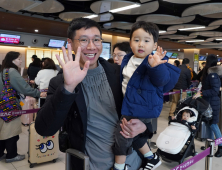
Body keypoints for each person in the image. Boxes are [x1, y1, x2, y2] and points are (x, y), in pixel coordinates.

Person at [35, 18, 148, 170]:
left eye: (96, 40)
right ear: (70, 43)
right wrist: (68, 87)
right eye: (83, 40)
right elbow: (44, 129)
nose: (91, 46)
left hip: (132, 160)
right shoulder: (59, 83)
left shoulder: (117, 73)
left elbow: (144, 103)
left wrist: (144, 126)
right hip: (93, 165)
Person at [112, 21, 180, 170]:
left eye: (146, 41)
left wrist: (156, 67)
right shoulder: (127, 60)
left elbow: (162, 81)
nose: (141, 44)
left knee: (122, 134)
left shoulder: (154, 61)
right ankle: (151, 157)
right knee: (133, 135)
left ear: (155, 45)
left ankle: (119, 166)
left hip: (143, 107)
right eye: (136, 40)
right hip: (130, 104)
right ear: (130, 43)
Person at [0, 52, 46, 163]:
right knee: (12, 132)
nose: (21, 61)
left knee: (3, 130)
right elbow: (24, 88)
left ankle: (0, 153)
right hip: (10, 106)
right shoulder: (12, 71)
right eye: (19, 59)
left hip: (2, 105)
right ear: (12, 60)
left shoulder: (3, 70)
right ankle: (12, 155)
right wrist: (38, 93)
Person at [193, 54, 222, 157]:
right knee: (209, 124)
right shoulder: (209, 72)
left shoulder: (213, 74)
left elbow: (214, 90)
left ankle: (221, 147)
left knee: (213, 124)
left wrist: (201, 93)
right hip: (208, 102)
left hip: (212, 103)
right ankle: (209, 146)